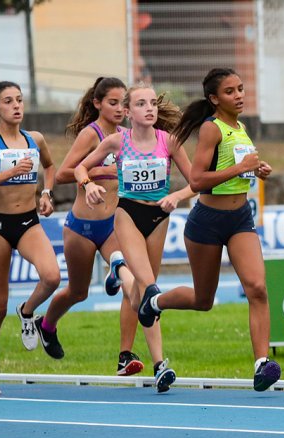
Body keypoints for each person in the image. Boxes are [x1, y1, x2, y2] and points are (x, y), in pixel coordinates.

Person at [137, 68, 282, 392]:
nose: (239, 95)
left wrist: (255, 170)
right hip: (207, 221)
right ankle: (155, 303)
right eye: (230, 92)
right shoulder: (210, 129)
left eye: (241, 89)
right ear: (215, 99)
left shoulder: (240, 128)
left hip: (240, 219)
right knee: (204, 300)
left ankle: (261, 364)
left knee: (257, 287)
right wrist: (239, 168)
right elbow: (198, 180)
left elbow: (236, 170)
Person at [76, 83, 195, 393]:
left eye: (153, 103)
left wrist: (177, 196)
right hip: (127, 213)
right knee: (149, 288)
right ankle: (160, 365)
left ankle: (118, 268)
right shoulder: (118, 141)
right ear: (128, 112)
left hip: (158, 217)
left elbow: (196, 181)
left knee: (143, 295)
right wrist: (88, 184)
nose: (150, 108)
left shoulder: (168, 141)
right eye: (142, 104)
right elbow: (79, 168)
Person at [42, 77, 147, 375]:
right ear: (97, 103)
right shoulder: (92, 134)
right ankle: (47, 326)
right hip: (82, 227)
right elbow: (64, 173)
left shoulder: (128, 135)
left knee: (134, 285)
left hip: (115, 225)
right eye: (112, 103)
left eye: (122, 103)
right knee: (78, 292)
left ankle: (125, 356)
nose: (119, 108)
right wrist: (98, 171)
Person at [0, 81, 60, 395]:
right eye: (8, 101)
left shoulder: (35, 138)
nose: (16, 106)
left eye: (19, 100)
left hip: (29, 222)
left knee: (52, 277)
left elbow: (49, 164)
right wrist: (7, 174)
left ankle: (28, 311)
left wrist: (47, 193)